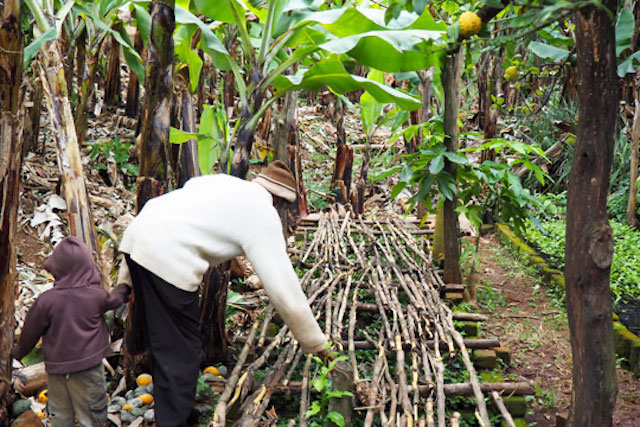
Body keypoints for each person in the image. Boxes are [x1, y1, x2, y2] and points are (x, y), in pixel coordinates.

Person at [118, 161, 328, 426]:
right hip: (169, 258)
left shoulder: (223, 183)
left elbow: (163, 212)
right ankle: (173, 420)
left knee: (168, 340)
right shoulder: (262, 213)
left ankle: (177, 409)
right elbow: (284, 290)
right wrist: (316, 343)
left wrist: (124, 280)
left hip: (138, 239)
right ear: (279, 201)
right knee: (181, 350)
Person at [12, 236, 131, 426]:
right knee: (91, 417)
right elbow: (114, 300)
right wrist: (124, 288)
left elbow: (30, 334)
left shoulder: (46, 301)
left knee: (60, 415)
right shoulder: (95, 295)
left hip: (57, 372)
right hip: (88, 371)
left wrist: (16, 353)